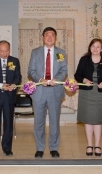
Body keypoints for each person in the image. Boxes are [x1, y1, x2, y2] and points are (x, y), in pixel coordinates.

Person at [28, 27, 67, 158]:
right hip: (39, 91)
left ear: (55, 38)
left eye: (52, 35)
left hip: (55, 90)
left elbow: (64, 70)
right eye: (47, 35)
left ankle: (54, 148)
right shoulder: (35, 52)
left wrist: (57, 79)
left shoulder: (61, 53)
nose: (49, 37)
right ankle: (39, 148)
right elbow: (30, 70)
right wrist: (39, 79)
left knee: (55, 121)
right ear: (43, 37)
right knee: (38, 121)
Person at [74, 38, 102, 156]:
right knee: (88, 120)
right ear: (90, 47)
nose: (95, 49)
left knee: (97, 120)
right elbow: (77, 75)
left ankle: (97, 145)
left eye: (98, 47)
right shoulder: (84, 59)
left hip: (99, 94)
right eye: (93, 46)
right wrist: (84, 79)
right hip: (86, 93)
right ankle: (89, 145)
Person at [0, 40, 22, 157]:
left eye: (6, 50)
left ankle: (7, 148)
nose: (4, 53)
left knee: (8, 122)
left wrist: (13, 85)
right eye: (2, 51)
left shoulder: (14, 61)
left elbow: (18, 76)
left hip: (9, 96)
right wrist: (2, 85)